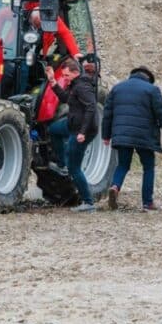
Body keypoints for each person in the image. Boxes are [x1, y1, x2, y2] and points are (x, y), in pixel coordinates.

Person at [102, 65, 162, 212]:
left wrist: (106, 135)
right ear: (148, 78)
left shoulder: (117, 88)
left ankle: (115, 187)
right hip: (144, 135)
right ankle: (147, 202)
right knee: (148, 167)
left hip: (121, 134)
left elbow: (107, 113)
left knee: (123, 165)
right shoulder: (152, 90)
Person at [45, 57, 99, 212]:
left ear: (75, 73)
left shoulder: (82, 87)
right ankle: (62, 164)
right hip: (71, 124)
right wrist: (53, 82)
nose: (65, 78)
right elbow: (66, 99)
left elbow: (91, 108)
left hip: (82, 130)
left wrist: (82, 132)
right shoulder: (74, 85)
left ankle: (88, 203)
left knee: (74, 167)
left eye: (67, 75)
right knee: (54, 130)